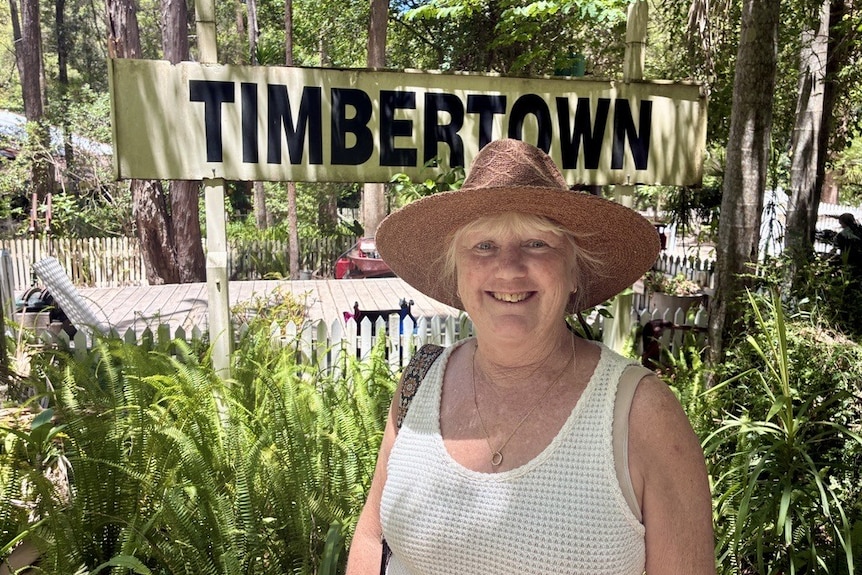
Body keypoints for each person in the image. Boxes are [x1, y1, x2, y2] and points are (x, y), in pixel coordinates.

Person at [346, 139, 715, 575]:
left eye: (537, 244)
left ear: (574, 271)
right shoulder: (419, 383)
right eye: (483, 245)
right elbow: (372, 538)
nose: (509, 268)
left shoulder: (642, 413)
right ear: (456, 273)